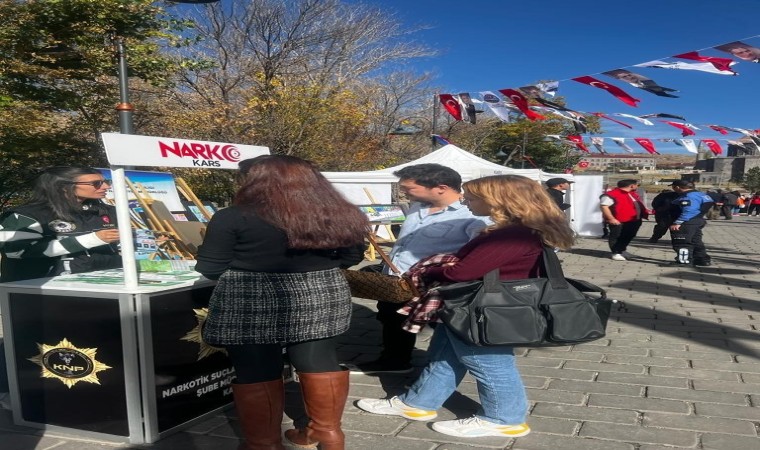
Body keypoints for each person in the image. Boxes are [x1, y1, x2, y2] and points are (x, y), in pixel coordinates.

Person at [356, 175, 575, 439]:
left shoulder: (512, 234)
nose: (466, 202)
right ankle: (418, 403)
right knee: (444, 356)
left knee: (487, 363)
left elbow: (462, 272)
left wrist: (429, 270)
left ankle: (504, 419)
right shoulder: (514, 230)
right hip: (475, 305)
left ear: (498, 200)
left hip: (485, 309)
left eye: (472, 198)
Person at [195, 155, 368, 450]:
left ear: (256, 180)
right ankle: (328, 434)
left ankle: (264, 444)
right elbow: (352, 258)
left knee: (256, 369)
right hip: (321, 292)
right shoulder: (341, 213)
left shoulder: (231, 217)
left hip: (250, 295)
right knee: (319, 360)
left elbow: (211, 268)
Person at [0, 166, 122, 411]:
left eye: (105, 181)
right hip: (40, 293)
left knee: (91, 339)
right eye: (96, 183)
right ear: (65, 187)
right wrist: (91, 240)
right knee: (30, 341)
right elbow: (14, 250)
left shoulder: (106, 211)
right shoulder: (27, 215)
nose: (105, 187)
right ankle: (12, 390)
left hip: (99, 290)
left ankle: (93, 386)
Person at [350, 164, 488, 375]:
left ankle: (444, 368)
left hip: (432, 283)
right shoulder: (417, 207)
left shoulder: (473, 215)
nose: (404, 192)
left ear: (440, 188)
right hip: (397, 279)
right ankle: (395, 362)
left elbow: (476, 255)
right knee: (391, 319)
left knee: (441, 328)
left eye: (409, 188)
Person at [666, 180, 714, 267]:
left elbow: (689, 210)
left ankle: (684, 261)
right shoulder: (701, 194)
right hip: (697, 220)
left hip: (686, 222)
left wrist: (678, 222)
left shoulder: (688, 196)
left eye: (673, 187)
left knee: (682, 241)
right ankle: (701, 259)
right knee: (695, 241)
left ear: (677, 187)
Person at [599, 179, 648, 261]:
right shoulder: (612, 194)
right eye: (637, 185)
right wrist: (611, 218)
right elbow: (604, 206)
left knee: (628, 235)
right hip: (619, 220)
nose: (637, 187)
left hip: (633, 220)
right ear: (632, 185)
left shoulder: (632, 194)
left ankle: (622, 250)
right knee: (617, 236)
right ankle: (616, 252)